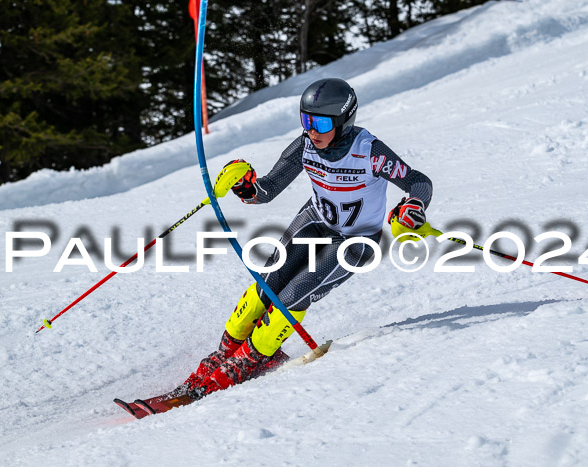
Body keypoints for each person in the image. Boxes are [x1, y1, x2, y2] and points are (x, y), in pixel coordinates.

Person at [181, 77, 433, 398]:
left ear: (343, 121)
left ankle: (250, 360)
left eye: (321, 123)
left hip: (355, 241)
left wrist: (413, 204)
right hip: (315, 220)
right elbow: (267, 190)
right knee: (266, 287)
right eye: (306, 120)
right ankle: (225, 352)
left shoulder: (369, 152)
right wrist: (246, 187)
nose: (311, 130)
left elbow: (417, 181)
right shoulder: (305, 145)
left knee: (293, 297)